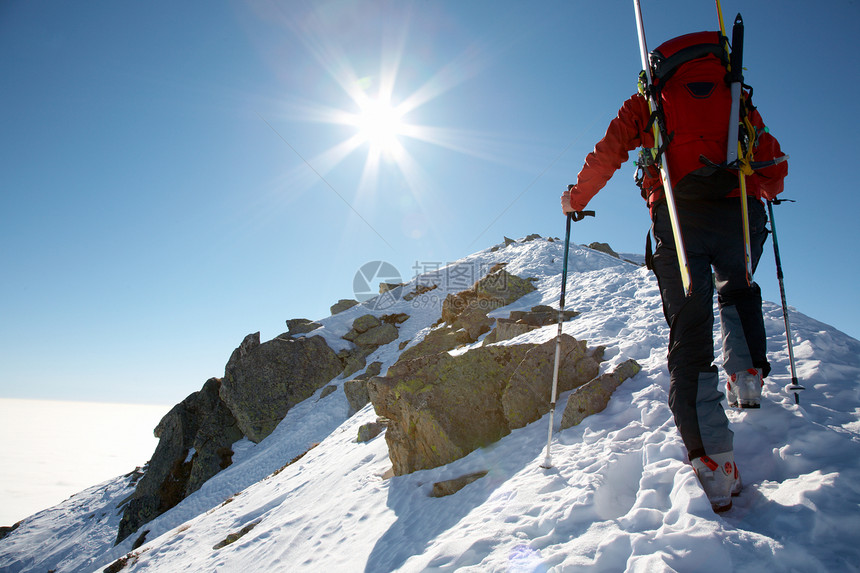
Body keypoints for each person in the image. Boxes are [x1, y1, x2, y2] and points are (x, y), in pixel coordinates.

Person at [561, 31, 787, 513]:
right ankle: (746, 376)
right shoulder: (734, 94)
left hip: (679, 216)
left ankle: (714, 463)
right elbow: (771, 161)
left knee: (691, 328)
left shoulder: (647, 100)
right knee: (739, 288)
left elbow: (609, 152)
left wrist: (575, 200)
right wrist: (763, 186)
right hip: (739, 211)